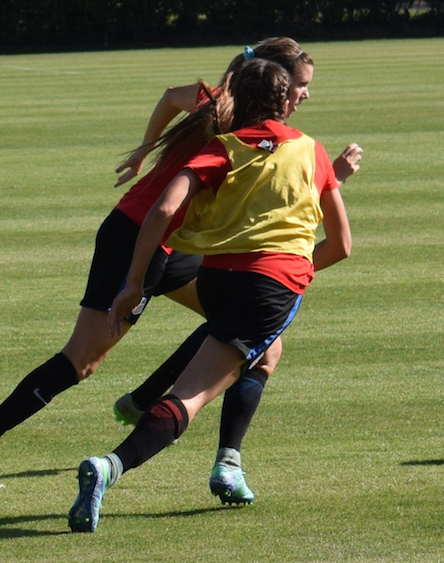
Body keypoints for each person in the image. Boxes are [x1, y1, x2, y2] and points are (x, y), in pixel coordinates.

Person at [0, 38, 360, 498]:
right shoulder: (224, 113)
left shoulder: (233, 114)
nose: (304, 95)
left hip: (175, 243)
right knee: (83, 360)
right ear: (274, 83)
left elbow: (173, 101)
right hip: (137, 234)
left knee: (257, 338)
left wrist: (146, 151)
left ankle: (150, 405)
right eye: (300, 85)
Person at [68, 57, 358, 533]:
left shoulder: (223, 147)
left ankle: (228, 462)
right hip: (269, 285)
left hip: (216, 279)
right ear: (286, 100)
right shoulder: (312, 150)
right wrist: (293, 272)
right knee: (190, 397)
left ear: (236, 98)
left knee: (265, 355)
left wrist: (136, 283)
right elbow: (341, 246)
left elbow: (163, 207)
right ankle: (110, 467)